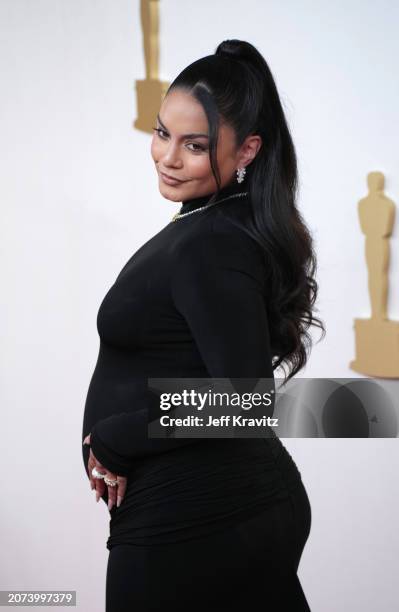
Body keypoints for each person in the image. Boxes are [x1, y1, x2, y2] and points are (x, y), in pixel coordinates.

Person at [82, 39, 325, 612]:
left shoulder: (211, 242)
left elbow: (244, 400)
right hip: (222, 505)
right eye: (163, 133)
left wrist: (119, 437)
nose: (168, 157)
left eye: (195, 146)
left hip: (198, 519)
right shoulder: (219, 224)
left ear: (248, 151)